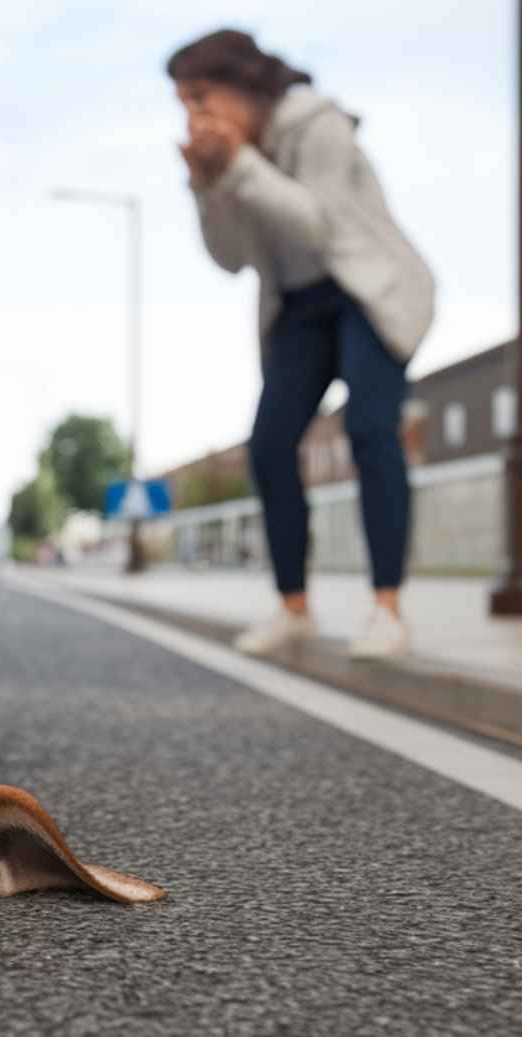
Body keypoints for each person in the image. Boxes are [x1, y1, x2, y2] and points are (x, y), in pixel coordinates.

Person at [168, 29, 435, 659]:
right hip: (298, 305)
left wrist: (239, 166)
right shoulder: (236, 156)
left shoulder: (318, 123)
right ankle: (294, 608)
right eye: (183, 104)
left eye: (202, 96)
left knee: (372, 430)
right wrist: (208, 186)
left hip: (368, 291)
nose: (194, 115)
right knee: (269, 446)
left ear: (242, 82)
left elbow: (320, 226)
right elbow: (230, 257)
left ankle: (387, 611)